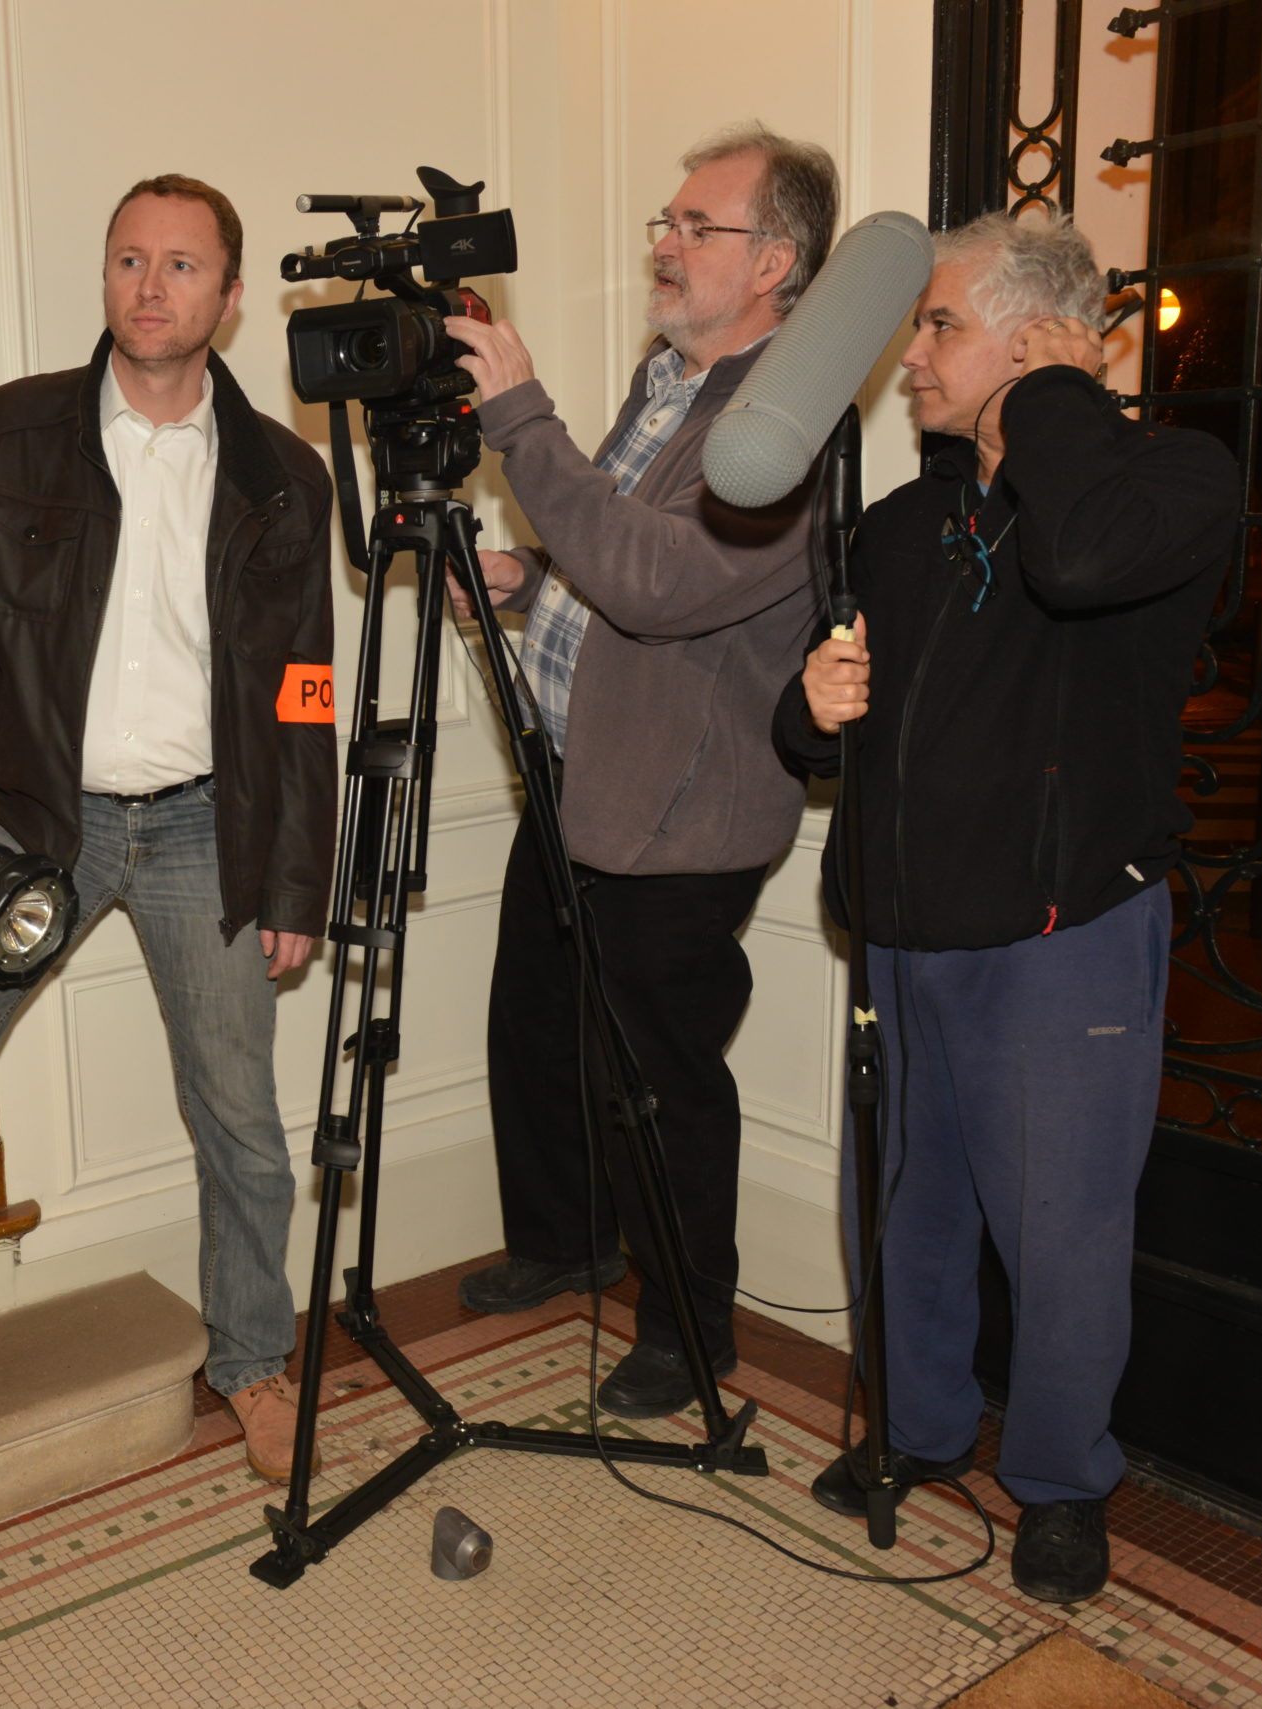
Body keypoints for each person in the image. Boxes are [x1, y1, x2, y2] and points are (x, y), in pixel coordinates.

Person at [0, 175, 336, 1523]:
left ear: (232, 297)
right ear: (106, 275)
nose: (149, 287)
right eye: (129, 259)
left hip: (211, 827)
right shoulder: (9, 437)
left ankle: (256, 1362)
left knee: (238, 1111)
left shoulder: (286, 477)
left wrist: (298, 876)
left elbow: (303, 696)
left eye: (182, 265)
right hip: (39, 819)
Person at [777, 212, 1240, 1603]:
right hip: (903, 935)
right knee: (903, 1212)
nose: (910, 354)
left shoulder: (1170, 481)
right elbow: (825, 727)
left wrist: (1053, 399)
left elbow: (1078, 563)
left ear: (1038, 343)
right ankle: (917, 1430)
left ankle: (1059, 1482)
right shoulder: (904, 523)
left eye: (941, 324)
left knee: (1063, 1234)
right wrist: (806, 712)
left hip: (1064, 941)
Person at [441, 124, 836, 1421]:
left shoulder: (782, 431)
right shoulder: (668, 379)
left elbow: (662, 585)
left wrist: (519, 416)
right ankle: (565, 1239)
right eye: (665, 221)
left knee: (656, 1081)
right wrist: (526, 579)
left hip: (680, 809)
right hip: (578, 769)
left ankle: (687, 1328)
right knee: (538, 1020)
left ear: (774, 261)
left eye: (695, 226)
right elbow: (614, 544)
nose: (665, 243)